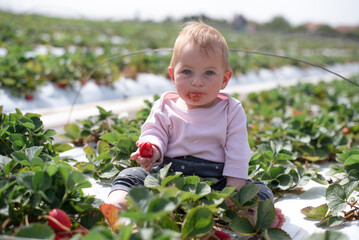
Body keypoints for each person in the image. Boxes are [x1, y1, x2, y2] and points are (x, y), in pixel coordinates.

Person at [107, 21, 285, 228]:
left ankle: (250, 212)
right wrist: (152, 150)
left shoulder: (231, 110)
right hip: (168, 176)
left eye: (209, 73)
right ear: (173, 75)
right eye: (187, 72)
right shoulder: (165, 105)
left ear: (225, 79)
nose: (197, 82)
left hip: (216, 181)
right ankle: (120, 201)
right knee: (130, 176)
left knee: (260, 190)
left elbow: (238, 153)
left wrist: (234, 192)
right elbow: (155, 132)